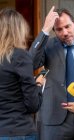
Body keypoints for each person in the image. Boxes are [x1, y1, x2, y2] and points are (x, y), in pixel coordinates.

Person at [29, 6, 74, 140]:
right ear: (54, 31)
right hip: (54, 120)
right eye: (59, 29)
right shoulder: (48, 45)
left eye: (68, 26)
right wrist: (45, 31)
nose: (65, 32)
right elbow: (31, 63)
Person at [0, 8, 45, 140]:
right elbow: (33, 105)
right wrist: (38, 84)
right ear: (18, 30)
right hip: (19, 131)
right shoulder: (20, 56)